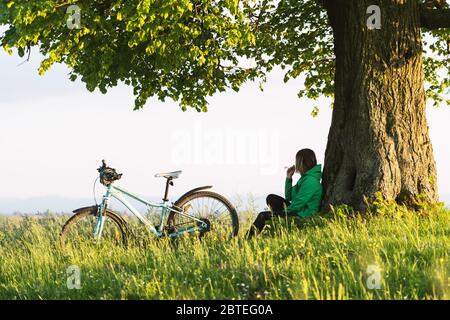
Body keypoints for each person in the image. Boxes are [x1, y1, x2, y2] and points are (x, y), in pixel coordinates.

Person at [246, 148, 323, 238]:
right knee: (271, 198)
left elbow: (298, 204)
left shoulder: (310, 181)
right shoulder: (305, 178)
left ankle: (247, 239)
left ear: (302, 162)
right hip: (298, 211)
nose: (296, 163)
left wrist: (282, 213)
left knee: (263, 216)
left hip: (302, 215)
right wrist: (289, 178)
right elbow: (289, 197)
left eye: (297, 161)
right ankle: (280, 227)